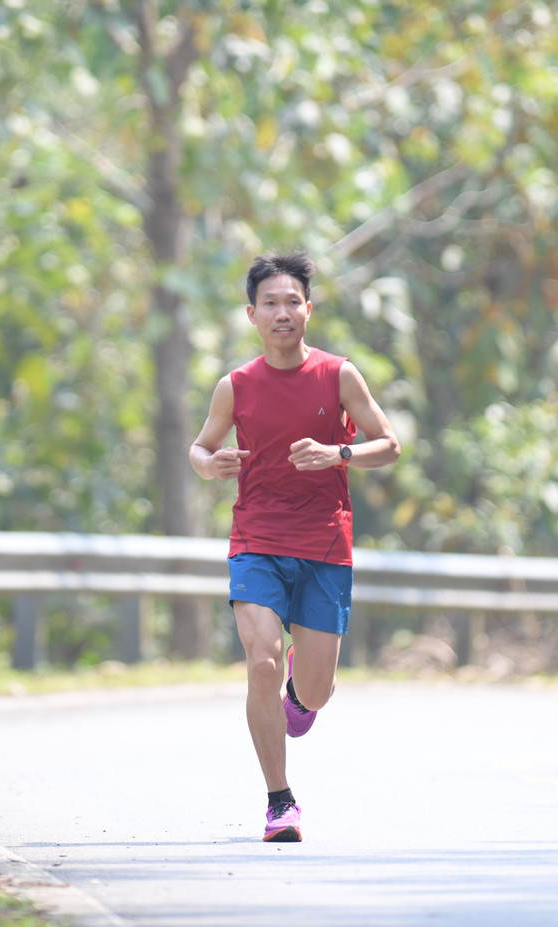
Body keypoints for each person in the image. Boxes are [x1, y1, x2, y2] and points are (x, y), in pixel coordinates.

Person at [189, 251, 402, 842]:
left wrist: (339, 453)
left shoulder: (339, 376)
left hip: (324, 544)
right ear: (252, 314)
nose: (281, 313)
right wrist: (210, 465)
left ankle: (299, 697)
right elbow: (200, 447)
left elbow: (389, 443)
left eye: (292, 302)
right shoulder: (235, 386)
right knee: (260, 659)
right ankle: (279, 802)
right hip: (256, 539)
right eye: (270, 303)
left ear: (309, 309)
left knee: (315, 692)